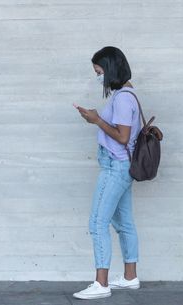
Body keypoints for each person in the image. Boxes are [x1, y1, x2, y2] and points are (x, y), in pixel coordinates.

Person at [72, 46, 143, 300]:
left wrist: (97, 120)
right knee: (124, 223)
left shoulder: (123, 97)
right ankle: (130, 276)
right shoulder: (127, 94)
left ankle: (101, 283)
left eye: (99, 72)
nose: (98, 77)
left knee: (97, 222)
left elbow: (123, 137)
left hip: (115, 166)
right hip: (122, 166)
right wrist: (96, 118)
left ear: (111, 69)